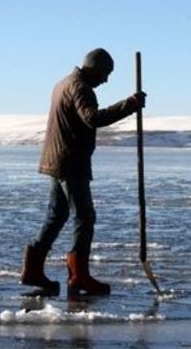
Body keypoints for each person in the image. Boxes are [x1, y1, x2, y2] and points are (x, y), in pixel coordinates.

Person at [20, 48, 145, 297]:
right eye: (105, 74)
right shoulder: (79, 87)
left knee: (57, 215)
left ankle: (33, 269)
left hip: (59, 159)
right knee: (84, 216)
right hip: (70, 162)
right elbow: (92, 118)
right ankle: (79, 276)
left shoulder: (64, 83)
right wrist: (129, 105)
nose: (106, 80)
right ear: (94, 68)